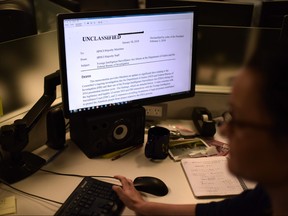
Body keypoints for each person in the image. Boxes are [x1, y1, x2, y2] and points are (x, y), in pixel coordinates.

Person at [112, 41, 288, 216]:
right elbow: (221, 212)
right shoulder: (269, 194)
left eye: (240, 121)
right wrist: (143, 207)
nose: (225, 130)